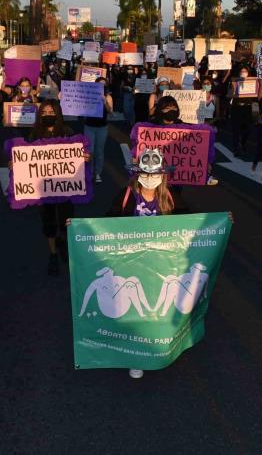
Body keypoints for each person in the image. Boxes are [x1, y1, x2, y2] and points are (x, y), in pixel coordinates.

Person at [107, 149, 186, 379]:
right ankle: (136, 356)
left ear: (163, 175)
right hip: (132, 265)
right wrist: (77, 227)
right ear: (137, 174)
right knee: (135, 312)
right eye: (145, 173)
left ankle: (160, 347)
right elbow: (106, 222)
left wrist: (218, 222)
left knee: (158, 310)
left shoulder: (170, 196)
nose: (150, 178)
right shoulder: (126, 195)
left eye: (155, 174)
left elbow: (191, 222)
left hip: (161, 265)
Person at [26, 100, 82, 274]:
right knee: (49, 222)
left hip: (65, 186)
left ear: (57, 114)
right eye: (44, 112)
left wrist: (85, 157)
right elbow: (25, 157)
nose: (48, 115)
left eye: (51, 112)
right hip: (44, 187)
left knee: (66, 219)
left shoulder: (67, 132)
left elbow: (78, 152)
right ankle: (52, 254)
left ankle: (63, 242)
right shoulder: (34, 134)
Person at [84, 77, 114, 183]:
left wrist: (104, 102)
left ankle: (97, 173)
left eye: (104, 85)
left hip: (102, 127)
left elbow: (110, 111)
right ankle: (89, 172)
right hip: (89, 126)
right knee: (89, 150)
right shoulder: (89, 95)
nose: (102, 87)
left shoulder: (108, 97)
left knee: (99, 151)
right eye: (100, 84)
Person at [229, 66, 255, 157]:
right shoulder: (235, 81)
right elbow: (229, 95)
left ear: (248, 72)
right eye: (242, 71)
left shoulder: (253, 82)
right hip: (236, 108)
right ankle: (236, 148)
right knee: (235, 130)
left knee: (248, 129)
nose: (243, 72)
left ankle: (243, 143)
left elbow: (256, 97)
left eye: (245, 71)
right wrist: (233, 86)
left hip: (247, 108)